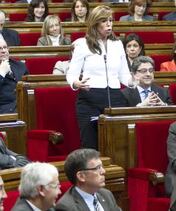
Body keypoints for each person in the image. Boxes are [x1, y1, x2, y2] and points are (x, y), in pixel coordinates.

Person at [66, 5, 131, 150]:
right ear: (95, 23)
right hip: (90, 98)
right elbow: (72, 74)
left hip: (114, 97)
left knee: (118, 145)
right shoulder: (83, 44)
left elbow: (123, 74)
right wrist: (76, 83)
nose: (109, 24)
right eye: (104, 21)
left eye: (110, 20)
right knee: (91, 146)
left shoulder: (117, 44)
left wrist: (133, 81)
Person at [55, 149, 120, 211]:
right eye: (98, 168)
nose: (103, 171)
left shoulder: (106, 194)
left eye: (102, 167)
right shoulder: (67, 207)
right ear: (81, 176)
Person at [0, 38, 29, 114]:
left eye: (5, 47)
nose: (3, 51)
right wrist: (2, 74)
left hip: (24, 107)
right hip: (4, 111)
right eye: (0, 49)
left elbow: (29, 87)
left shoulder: (20, 65)